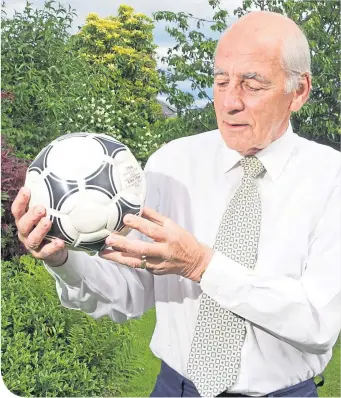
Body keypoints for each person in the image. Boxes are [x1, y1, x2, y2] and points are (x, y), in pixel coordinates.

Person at [11, 10, 340, 398]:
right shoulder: (172, 163)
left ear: (298, 91)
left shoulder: (330, 179)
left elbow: (317, 324)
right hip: (174, 388)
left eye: (252, 85)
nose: (230, 102)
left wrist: (203, 265)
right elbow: (131, 292)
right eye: (221, 82)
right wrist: (62, 260)